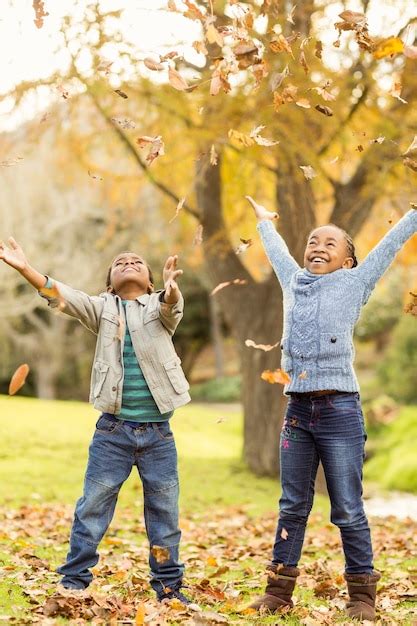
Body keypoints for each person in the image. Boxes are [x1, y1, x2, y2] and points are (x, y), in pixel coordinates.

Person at [245, 197, 417, 621]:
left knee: (347, 507)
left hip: (340, 411)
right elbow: (278, 252)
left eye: (330, 243)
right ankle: (279, 591)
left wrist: (413, 214)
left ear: (347, 259)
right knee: (292, 505)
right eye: (312, 240)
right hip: (297, 413)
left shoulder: (356, 282)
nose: (317, 247)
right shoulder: (294, 281)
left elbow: (390, 246)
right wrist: (265, 223)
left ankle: (362, 596)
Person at [0, 238, 191, 604]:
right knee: (93, 507)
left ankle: (168, 587)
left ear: (151, 282)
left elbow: (171, 309)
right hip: (113, 433)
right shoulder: (102, 309)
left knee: (165, 514)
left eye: (137, 261)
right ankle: (74, 581)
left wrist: (170, 291)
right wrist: (25, 268)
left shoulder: (159, 304)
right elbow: (62, 295)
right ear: (108, 284)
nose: (129, 262)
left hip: (159, 436)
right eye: (120, 262)